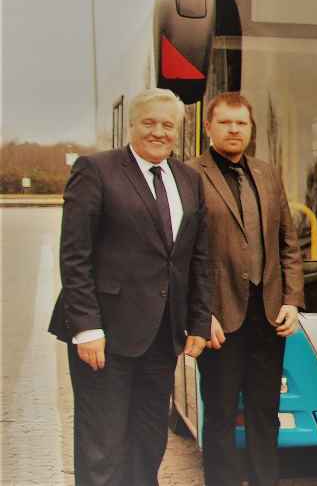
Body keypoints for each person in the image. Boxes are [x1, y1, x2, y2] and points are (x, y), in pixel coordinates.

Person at [48, 88, 212, 486]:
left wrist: (200, 321)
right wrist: (86, 327)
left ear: (179, 130)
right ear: (133, 125)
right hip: (105, 336)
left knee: (148, 439)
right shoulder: (96, 170)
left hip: (162, 337)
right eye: (150, 123)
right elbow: (75, 254)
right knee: (102, 446)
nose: (159, 132)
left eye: (168, 125)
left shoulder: (190, 180)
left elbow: (198, 258)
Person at [187, 92, 304, 486]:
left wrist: (292, 300)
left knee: (263, 413)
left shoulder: (268, 173)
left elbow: (288, 242)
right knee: (219, 416)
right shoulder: (190, 175)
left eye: (242, 123)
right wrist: (201, 314)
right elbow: (182, 254)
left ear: (251, 129)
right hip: (221, 320)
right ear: (209, 127)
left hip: (268, 315)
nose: (235, 130)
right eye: (226, 122)